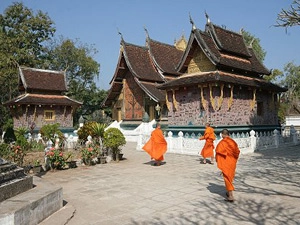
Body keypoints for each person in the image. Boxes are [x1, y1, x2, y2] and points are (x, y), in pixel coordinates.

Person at [215, 129, 240, 202]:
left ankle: (231, 196)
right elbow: (237, 152)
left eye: (221, 135)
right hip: (232, 162)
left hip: (226, 162)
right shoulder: (233, 142)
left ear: (223, 134)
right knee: (230, 177)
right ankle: (229, 192)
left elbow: (218, 151)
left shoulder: (223, 142)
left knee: (227, 178)